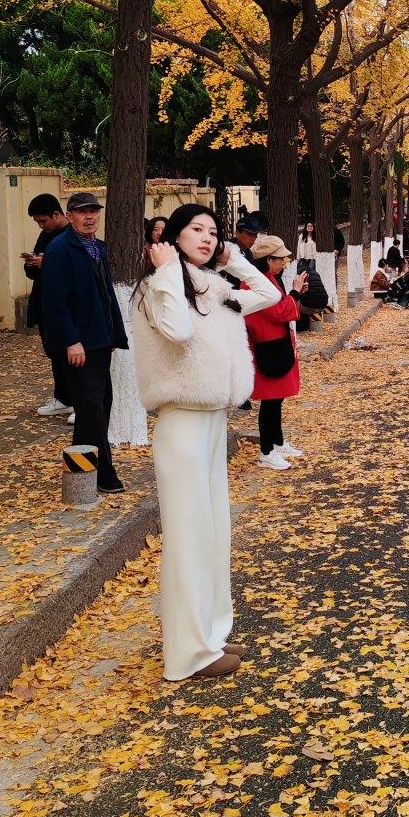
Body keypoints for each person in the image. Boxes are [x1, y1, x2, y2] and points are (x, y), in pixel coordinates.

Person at [133, 203, 279, 681]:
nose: (207, 238)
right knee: (189, 538)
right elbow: (177, 332)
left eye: (213, 232)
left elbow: (268, 293)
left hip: (213, 422)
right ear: (171, 237)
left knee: (214, 533)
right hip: (182, 424)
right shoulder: (157, 289)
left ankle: (211, 635)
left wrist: (234, 258)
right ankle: (187, 654)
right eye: (196, 229)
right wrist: (166, 271)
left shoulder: (212, 286)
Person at [41, 191, 128, 494]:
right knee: (92, 407)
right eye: (82, 212)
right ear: (69, 216)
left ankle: (81, 468)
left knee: (100, 404)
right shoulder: (60, 250)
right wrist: (71, 341)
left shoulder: (97, 247)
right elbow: (54, 303)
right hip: (79, 345)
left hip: (99, 340)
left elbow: (104, 295)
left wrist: (112, 333)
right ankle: (104, 473)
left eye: (94, 211)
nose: (90, 217)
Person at [246, 235, 308, 471]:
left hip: (275, 345)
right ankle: (266, 452)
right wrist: (295, 294)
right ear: (267, 260)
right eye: (279, 258)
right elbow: (280, 312)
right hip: (266, 347)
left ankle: (277, 442)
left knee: (277, 398)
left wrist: (295, 294)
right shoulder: (254, 284)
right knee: (270, 400)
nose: (284, 262)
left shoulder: (268, 278)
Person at [23, 194, 72, 418]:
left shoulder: (73, 235)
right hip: (45, 302)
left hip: (67, 304)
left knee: (70, 354)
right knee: (54, 352)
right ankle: (63, 398)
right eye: (38, 222)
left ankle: (78, 401)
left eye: (43, 221)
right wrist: (33, 263)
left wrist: (48, 263)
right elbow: (34, 272)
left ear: (56, 214)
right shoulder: (45, 235)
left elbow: (76, 270)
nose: (41, 226)